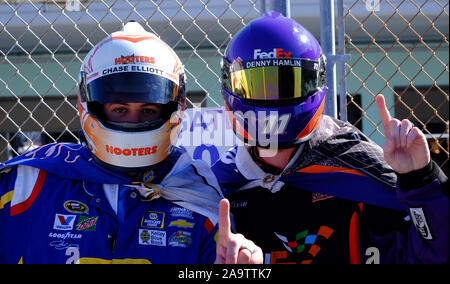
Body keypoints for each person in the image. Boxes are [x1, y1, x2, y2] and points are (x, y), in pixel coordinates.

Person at [0, 22, 262, 264]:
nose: (133, 121)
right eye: (120, 109)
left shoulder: (200, 203)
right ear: (88, 104)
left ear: (176, 108)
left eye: (148, 110)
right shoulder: (28, 181)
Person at [212, 12, 449, 264]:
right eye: (258, 85)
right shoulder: (219, 185)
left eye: (285, 83)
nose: (272, 99)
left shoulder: (356, 167)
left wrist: (421, 181)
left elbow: (435, 254)